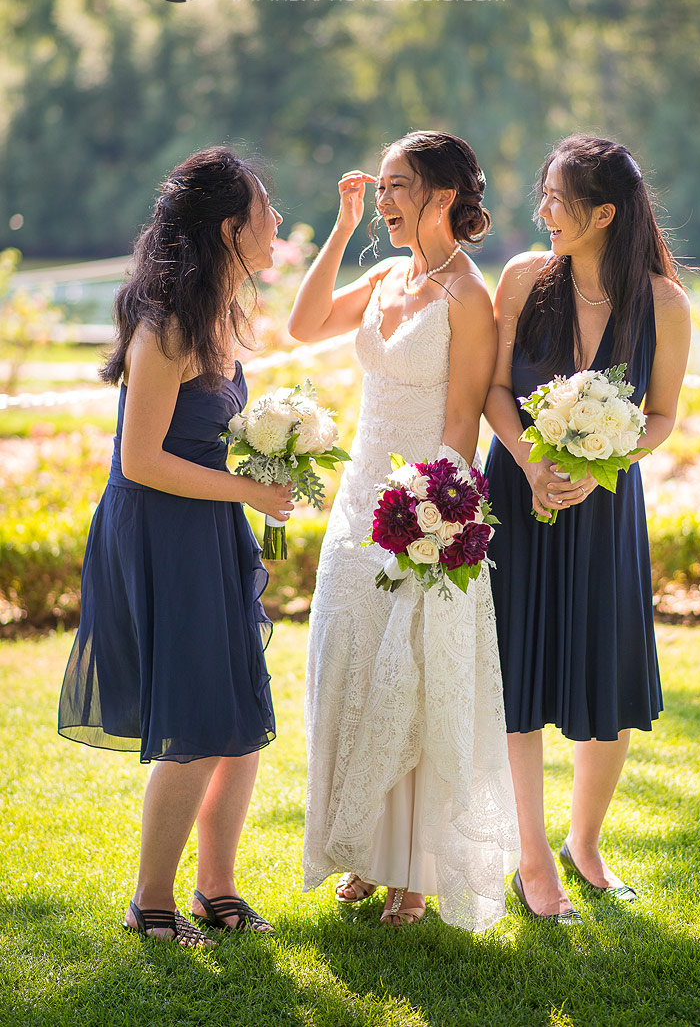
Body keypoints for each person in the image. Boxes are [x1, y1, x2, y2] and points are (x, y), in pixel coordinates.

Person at [58, 147, 293, 946]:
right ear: (232, 229)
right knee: (195, 722)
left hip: (207, 528)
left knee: (238, 715)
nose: (277, 226)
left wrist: (271, 467)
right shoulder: (164, 326)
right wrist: (251, 492)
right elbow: (140, 460)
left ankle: (216, 892)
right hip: (162, 532)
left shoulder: (223, 318)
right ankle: (149, 900)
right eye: (267, 213)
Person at [288, 131, 519, 932]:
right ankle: (366, 851)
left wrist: (434, 526)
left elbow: (462, 421)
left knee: (414, 681)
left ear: (443, 197)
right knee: (353, 670)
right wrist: (344, 227)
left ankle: (414, 873)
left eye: (394, 186)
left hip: (424, 513)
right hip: (357, 507)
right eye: (380, 186)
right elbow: (303, 323)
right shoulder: (387, 273)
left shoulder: (469, 298)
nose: (382, 198)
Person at [483, 134, 691, 922]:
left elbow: (664, 416)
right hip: (518, 495)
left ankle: (585, 844)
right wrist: (534, 465)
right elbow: (495, 392)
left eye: (557, 201)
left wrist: (603, 451)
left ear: (603, 214)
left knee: (606, 672)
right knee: (519, 679)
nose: (541, 213)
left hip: (606, 510)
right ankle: (533, 860)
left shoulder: (664, 305)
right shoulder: (520, 280)